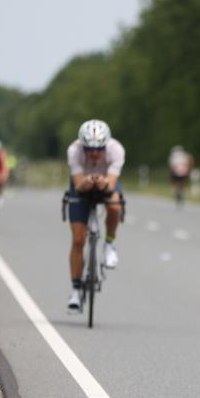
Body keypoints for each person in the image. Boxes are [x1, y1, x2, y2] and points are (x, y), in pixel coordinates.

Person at [65, 119, 125, 312]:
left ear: (105, 144)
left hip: (106, 182)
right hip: (81, 185)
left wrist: (103, 183)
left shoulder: (116, 149)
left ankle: (109, 243)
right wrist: (87, 182)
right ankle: (75, 290)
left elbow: (112, 182)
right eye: (89, 149)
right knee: (77, 239)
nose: (93, 153)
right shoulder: (74, 151)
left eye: (98, 149)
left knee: (115, 206)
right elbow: (78, 182)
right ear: (82, 145)